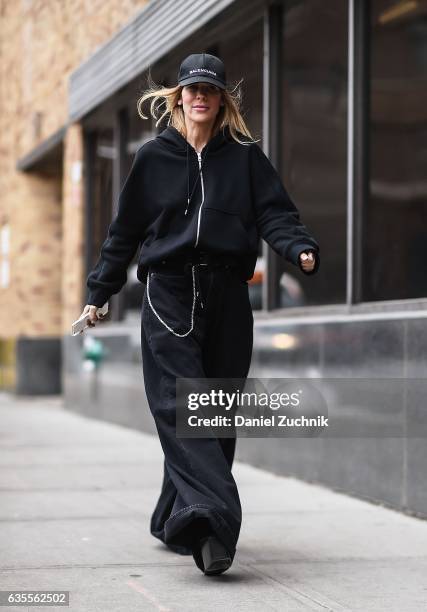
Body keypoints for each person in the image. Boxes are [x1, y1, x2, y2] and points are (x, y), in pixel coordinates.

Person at [78, 53, 320, 576]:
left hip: (228, 293)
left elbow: (275, 212)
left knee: (216, 408)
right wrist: (100, 292)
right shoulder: (153, 158)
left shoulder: (246, 158)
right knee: (181, 403)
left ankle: (174, 516)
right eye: (192, 89)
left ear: (222, 99)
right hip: (168, 291)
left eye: (210, 90)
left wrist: (297, 247)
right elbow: (124, 233)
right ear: (179, 97)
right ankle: (212, 524)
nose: (200, 97)